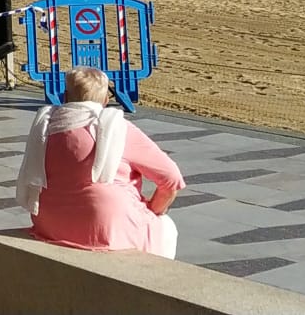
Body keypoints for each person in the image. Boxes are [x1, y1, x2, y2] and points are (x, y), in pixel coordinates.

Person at [18, 67, 184, 258]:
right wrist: (155, 210)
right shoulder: (116, 129)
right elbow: (172, 179)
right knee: (166, 227)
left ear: (64, 97)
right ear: (105, 101)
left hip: (49, 223)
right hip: (106, 225)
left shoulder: (45, 127)